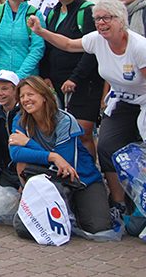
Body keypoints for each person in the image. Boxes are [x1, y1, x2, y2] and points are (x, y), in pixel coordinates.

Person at [27, 0, 146, 218]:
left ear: (121, 20)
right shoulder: (97, 40)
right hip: (120, 101)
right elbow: (69, 44)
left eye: (107, 18)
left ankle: (141, 201)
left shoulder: (139, 47)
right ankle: (118, 203)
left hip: (144, 100)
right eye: (98, 19)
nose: (101, 23)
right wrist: (41, 31)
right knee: (106, 147)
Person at [9, 76, 110, 234]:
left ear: (43, 96)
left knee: (99, 228)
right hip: (49, 177)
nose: (25, 99)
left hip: (80, 178)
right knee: (22, 163)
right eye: (22, 96)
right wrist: (53, 156)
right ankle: (31, 202)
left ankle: (78, 206)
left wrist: (29, 143)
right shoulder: (20, 120)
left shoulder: (64, 120)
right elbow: (15, 154)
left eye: (30, 94)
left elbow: (65, 162)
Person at [39, 0, 102, 157]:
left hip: (84, 83)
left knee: (83, 133)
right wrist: (46, 75)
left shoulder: (87, 12)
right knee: (62, 134)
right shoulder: (52, 13)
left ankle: (91, 175)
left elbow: (91, 51)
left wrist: (75, 78)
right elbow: (47, 46)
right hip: (57, 82)